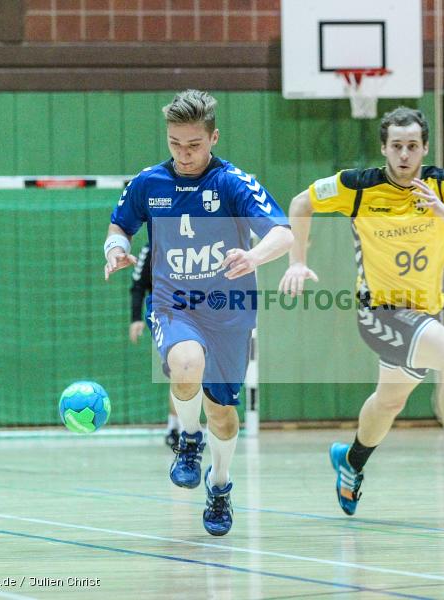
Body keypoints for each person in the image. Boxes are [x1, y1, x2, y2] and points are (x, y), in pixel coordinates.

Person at [280, 106, 444, 517]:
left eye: (412, 145)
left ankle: (351, 461)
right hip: (379, 313)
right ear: (384, 148)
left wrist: (442, 211)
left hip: (424, 316)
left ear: (425, 147)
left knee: (389, 402)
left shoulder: (442, 185)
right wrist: (297, 261)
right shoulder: (357, 186)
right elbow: (300, 203)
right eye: (396, 146)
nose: (404, 154)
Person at [104, 89, 292, 536]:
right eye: (175, 143)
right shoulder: (149, 183)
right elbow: (119, 226)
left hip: (228, 311)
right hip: (175, 304)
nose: (183, 154)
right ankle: (189, 441)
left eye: (193, 145)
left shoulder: (233, 183)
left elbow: (283, 233)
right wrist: (115, 249)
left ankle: (220, 485)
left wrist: (254, 256)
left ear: (213, 138)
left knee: (222, 414)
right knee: (185, 364)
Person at [128, 244, 180, 449]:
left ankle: (181, 427)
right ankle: (178, 429)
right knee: (181, 371)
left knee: (197, 375)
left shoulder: (200, 243)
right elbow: (138, 284)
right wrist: (135, 318)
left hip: (199, 314)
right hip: (166, 316)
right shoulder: (152, 248)